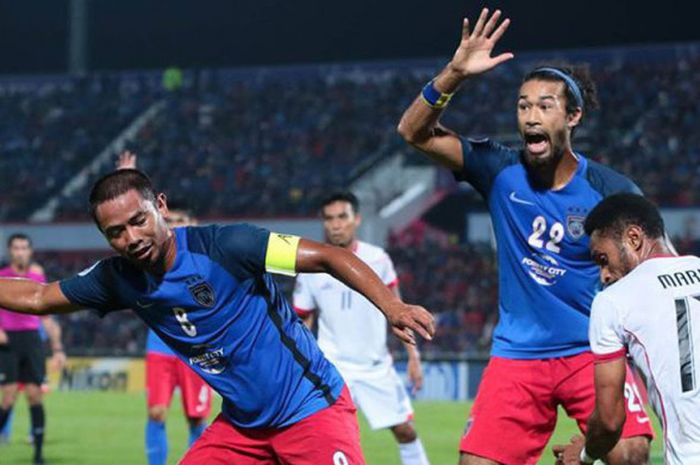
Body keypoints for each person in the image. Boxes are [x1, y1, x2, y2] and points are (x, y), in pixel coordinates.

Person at [0, 169, 435, 464]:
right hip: (243, 430)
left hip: (311, 410)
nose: (131, 238)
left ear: (161, 207)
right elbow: (39, 297)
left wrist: (392, 306)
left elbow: (328, 256)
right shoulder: (117, 279)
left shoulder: (228, 245)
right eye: (116, 232)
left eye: (139, 221)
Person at [397, 8, 653, 465]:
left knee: (629, 451)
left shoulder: (612, 191)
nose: (531, 116)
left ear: (572, 116)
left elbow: (648, 274)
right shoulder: (497, 169)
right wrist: (454, 74)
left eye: (544, 106)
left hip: (590, 351)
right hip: (517, 357)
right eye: (523, 105)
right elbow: (412, 132)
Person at [553, 194, 700, 465]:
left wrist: (583, 455)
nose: (604, 275)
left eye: (603, 259)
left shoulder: (614, 301)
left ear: (634, 238)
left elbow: (610, 421)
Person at [293, 191, 430, 465]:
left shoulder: (378, 259)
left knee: (405, 432)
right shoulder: (309, 264)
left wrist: (414, 358)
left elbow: (399, 308)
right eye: (329, 218)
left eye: (342, 217)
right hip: (332, 367)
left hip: (374, 366)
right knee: (318, 435)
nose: (336, 224)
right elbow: (303, 320)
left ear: (356, 219)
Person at [115, 150, 213, 465]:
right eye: (173, 221)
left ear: (194, 223)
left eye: (184, 222)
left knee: (196, 418)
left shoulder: (209, 258)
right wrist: (125, 180)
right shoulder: (153, 255)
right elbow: (122, 227)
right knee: (156, 412)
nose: (178, 226)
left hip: (199, 348)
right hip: (161, 345)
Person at [0, 233, 66, 464]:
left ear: (30, 251)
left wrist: (57, 348)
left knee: (35, 396)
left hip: (32, 341)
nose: (20, 252)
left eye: (24, 248)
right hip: (7, 342)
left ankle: (38, 455)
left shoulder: (37, 278)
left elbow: (47, 315)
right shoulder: (2, 277)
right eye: (16, 248)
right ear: (10, 251)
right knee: (7, 398)